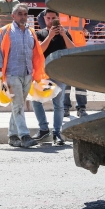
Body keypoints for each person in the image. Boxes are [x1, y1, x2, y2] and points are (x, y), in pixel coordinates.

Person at [0, 3, 46, 148]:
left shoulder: (31, 32)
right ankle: (24, 135)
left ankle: (12, 136)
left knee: (19, 105)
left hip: (27, 73)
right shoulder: (6, 31)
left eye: (25, 14)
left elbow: (36, 53)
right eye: (20, 14)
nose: (23, 17)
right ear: (13, 16)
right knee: (17, 105)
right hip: (12, 74)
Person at [30, 9, 75, 145]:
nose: (50, 20)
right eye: (48, 18)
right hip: (43, 74)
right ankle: (44, 129)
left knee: (58, 104)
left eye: (53, 18)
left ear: (58, 18)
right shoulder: (40, 33)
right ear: (44, 19)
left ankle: (57, 132)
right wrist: (49, 37)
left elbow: (73, 50)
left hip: (59, 73)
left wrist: (64, 35)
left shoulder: (65, 33)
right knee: (36, 101)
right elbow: (38, 52)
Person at [60, 13, 89, 117]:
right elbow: (42, 16)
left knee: (79, 80)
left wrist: (88, 28)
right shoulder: (59, 11)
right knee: (65, 81)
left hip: (79, 49)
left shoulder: (79, 9)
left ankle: (81, 108)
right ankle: (65, 107)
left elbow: (96, 18)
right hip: (64, 49)